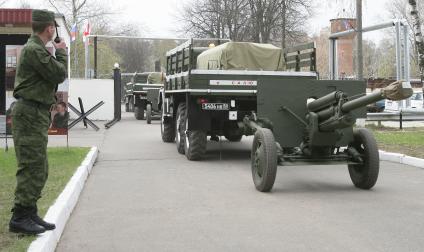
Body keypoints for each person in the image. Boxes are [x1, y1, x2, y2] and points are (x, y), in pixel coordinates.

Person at [9, 9, 67, 235]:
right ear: (49, 28)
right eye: (53, 27)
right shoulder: (34, 49)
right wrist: (61, 53)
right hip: (29, 113)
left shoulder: (37, 49)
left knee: (39, 167)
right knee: (31, 166)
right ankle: (20, 217)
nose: (54, 30)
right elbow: (58, 74)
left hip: (36, 113)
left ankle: (29, 211)